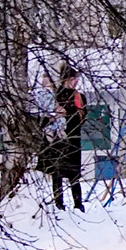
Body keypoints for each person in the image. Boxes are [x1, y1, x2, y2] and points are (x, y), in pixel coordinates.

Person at [42, 62, 86, 211]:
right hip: (58, 141)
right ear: (65, 80)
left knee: (74, 175)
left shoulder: (79, 97)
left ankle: (78, 204)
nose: (75, 82)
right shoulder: (55, 96)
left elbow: (82, 118)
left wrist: (70, 115)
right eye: (73, 79)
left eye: (76, 79)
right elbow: (45, 118)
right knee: (57, 174)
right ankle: (59, 203)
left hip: (74, 139)